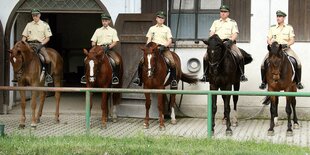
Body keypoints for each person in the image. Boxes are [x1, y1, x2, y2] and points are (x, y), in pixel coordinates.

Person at [201, 5, 247, 82]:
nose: (223, 13)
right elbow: (212, 32)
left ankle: (242, 75)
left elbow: (235, 33)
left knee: (240, 55)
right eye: (221, 11)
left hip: (228, 43)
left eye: (225, 12)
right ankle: (205, 75)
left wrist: (231, 40)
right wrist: (213, 40)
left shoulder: (232, 22)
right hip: (217, 44)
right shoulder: (215, 22)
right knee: (205, 56)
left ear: (228, 13)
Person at [259, 10, 303, 89]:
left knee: (298, 62)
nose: (278, 18)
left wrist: (287, 44)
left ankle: (298, 82)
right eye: (277, 16)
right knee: (263, 64)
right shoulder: (272, 27)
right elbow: (268, 39)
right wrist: (271, 44)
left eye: (280, 17)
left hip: (286, 49)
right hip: (275, 50)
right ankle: (263, 82)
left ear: (284, 18)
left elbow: (292, 39)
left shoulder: (289, 27)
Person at [133, 11, 177, 88]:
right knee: (141, 61)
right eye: (159, 17)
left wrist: (164, 46)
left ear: (164, 20)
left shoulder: (167, 29)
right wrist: (147, 48)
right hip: (152, 49)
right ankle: (139, 78)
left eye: (162, 18)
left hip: (163, 49)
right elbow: (149, 40)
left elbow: (170, 40)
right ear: (156, 18)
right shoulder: (152, 28)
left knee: (172, 62)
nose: (161, 19)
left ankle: (173, 80)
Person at [14, 8, 53, 83]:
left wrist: (41, 45)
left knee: (47, 59)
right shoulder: (29, 24)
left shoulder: (45, 25)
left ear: (39, 15)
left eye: (36, 15)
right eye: (33, 15)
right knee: (19, 57)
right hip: (29, 44)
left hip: (40, 44)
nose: (35, 17)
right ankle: (19, 75)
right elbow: (24, 37)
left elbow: (48, 38)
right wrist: (22, 45)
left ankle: (47, 76)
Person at [80, 13, 121, 85]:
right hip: (98, 49)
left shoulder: (113, 31)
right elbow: (93, 41)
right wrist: (94, 46)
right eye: (103, 21)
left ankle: (114, 77)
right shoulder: (98, 30)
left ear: (109, 21)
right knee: (86, 60)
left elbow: (115, 42)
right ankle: (85, 76)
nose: (104, 22)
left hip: (108, 49)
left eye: (106, 21)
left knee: (117, 61)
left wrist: (108, 47)